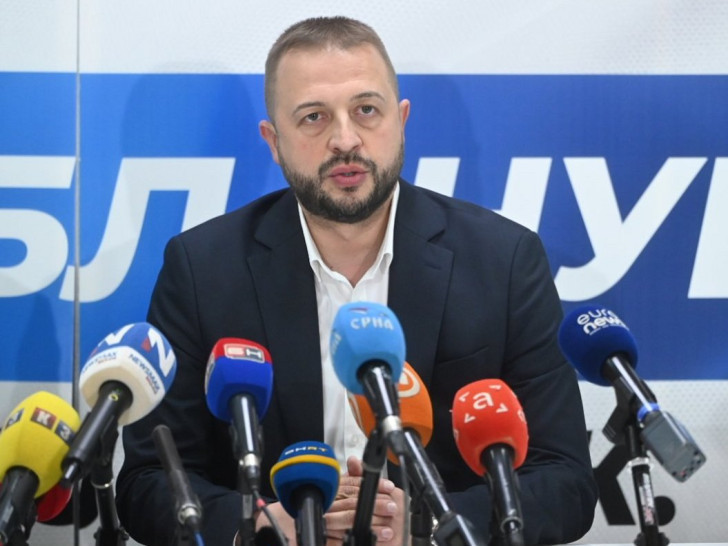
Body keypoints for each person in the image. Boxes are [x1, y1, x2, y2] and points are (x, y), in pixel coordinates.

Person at [116, 15, 598, 546]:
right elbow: (147, 481)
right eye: (314, 117)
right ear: (274, 142)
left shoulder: (504, 261)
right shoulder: (203, 268)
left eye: (366, 110)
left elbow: (565, 481)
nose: (345, 140)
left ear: (401, 120)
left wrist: (427, 524)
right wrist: (259, 525)